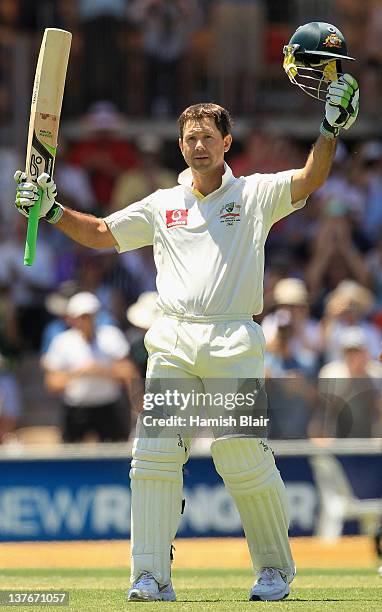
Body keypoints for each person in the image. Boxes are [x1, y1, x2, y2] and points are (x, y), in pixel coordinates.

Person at [13, 66, 359, 601]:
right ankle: (150, 575)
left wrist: (331, 130)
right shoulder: (162, 204)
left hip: (232, 341)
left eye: (208, 137)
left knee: (241, 453)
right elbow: (103, 233)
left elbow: (311, 178)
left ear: (227, 142)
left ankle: (273, 571)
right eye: (190, 137)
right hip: (173, 341)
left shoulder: (256, 195)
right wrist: (52, 209)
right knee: (153, 455)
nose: (198, 145)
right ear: (180, 145)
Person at [41, 291, 135, 442]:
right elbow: (52, 383)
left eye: (90, 315)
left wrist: (102, 371)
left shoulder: (111, 336)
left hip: (109, 409)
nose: (87, 321)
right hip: (76, 411)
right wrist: (79, 374)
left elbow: (129, 373)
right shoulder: (62, 342)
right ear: (72, 318)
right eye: (82, 316)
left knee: (116, 458)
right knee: (71, 460)